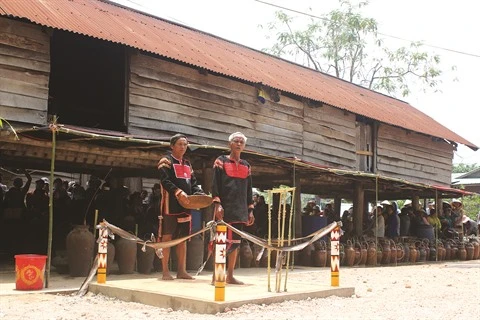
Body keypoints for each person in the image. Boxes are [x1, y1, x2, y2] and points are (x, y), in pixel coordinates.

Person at [158, 133, 204, 280]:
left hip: (186, 206)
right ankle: (165, 271)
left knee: (183, 239)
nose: (183, 147)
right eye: (180, 144)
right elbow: (165, 181)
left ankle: (181, 271)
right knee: (167, 238)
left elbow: (194, 183)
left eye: (185, 144)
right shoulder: (166, 161)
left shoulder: (188, 164)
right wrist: (178, 192)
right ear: (172, 146)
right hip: (170, 206)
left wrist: (199, 193)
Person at [212, 132, 254, 285]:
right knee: (222, 242)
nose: (238, 144)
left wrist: (250, 210)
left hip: (240, 209)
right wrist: (217, 204)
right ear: (230, 144)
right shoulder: (220, 161)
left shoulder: (246, 165)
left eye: (241, 142)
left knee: (235, 243)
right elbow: (215, 184)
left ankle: (230, 275)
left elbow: (249, 189)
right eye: (236, 141)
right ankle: (216, 275)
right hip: (225, 208)